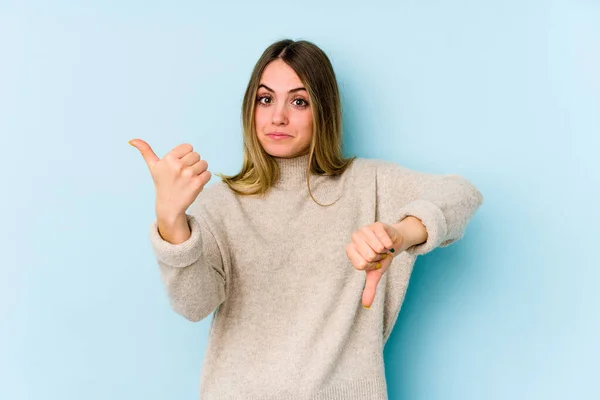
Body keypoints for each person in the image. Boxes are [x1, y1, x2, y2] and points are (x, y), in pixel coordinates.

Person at [129, 39, 483, 400]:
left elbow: (462, 194)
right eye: (265, 99)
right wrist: (171, 220)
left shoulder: (369, 184)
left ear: (324, 111)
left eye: (299, 101)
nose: (277, 116)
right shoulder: (220, 203)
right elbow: (193, 305)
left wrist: (401, 233)